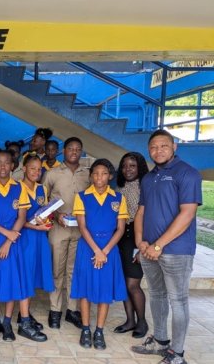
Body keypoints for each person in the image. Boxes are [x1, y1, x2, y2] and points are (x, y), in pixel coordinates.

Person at [131, 130, 202, 364]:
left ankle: (177, 353)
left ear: (174, 147)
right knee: (157, 296)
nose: (158, 150)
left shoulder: (187, 173)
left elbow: (188, 213)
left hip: (176, 251)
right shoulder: (149, 178)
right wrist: (141, 242)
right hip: (149, 249)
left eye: (163, 146)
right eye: (153, 147)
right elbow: (141, 211)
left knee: (178, 300)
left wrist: (159, 245)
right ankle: (160, 341)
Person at [0, 150, 43, 342]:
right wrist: (6, 234)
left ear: (13, 166)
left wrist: (8, 241)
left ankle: (7, 322)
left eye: (7, 163)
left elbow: (22, 216)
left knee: (12, 278)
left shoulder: (19, 187)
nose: (3, 167)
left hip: (13, 240)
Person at [70, 158, 128, 350]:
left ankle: (99, 330)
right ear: (91, 176)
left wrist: (105, 251)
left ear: (110, 176)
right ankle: (86, 329)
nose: (99, 177)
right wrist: (96, 250)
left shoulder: (118, 198)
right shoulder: (82, 196)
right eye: (95, 173)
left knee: (105, 290)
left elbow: (120, 229)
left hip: (109, 249)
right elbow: (82, 226)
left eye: (104, 173)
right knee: (85, 290)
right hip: (88, 247)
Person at [42, 137, 90, 330]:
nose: (74, 152)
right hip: (58, 228)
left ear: (81, 152)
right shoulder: (52, 174)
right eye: (70, 148)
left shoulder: (87, 175)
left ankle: (72, 310)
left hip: (80, 230)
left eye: (78, 149)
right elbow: (42, 202)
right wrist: (55, 215)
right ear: (64, 150)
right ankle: (55, 310)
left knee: (74, 271)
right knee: (57, 270)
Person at [113, 152, 150, 339]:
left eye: (132, 166)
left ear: (140, 167)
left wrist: (141, 246)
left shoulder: (146, 187)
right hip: (120, 236)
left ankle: (142, 322)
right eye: (125, 165)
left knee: (133, 283)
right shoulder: (118, 187)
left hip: (137, 236)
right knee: (123, 283)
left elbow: (148, 218)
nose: (128, 169)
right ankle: (130, 321)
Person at [19, 154, 55, 332]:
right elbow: (15, 220)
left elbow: (44, 212)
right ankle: (24, 320)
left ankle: (23, 313)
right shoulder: (17, 188)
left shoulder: (42, 189)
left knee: (33, 275)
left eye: (39, 169)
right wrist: (34, 227)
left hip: (39, 238)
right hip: (24, 237)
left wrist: (46, 221)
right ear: (24, 168)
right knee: (25, 275)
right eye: (32, 168)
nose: (36, 171)